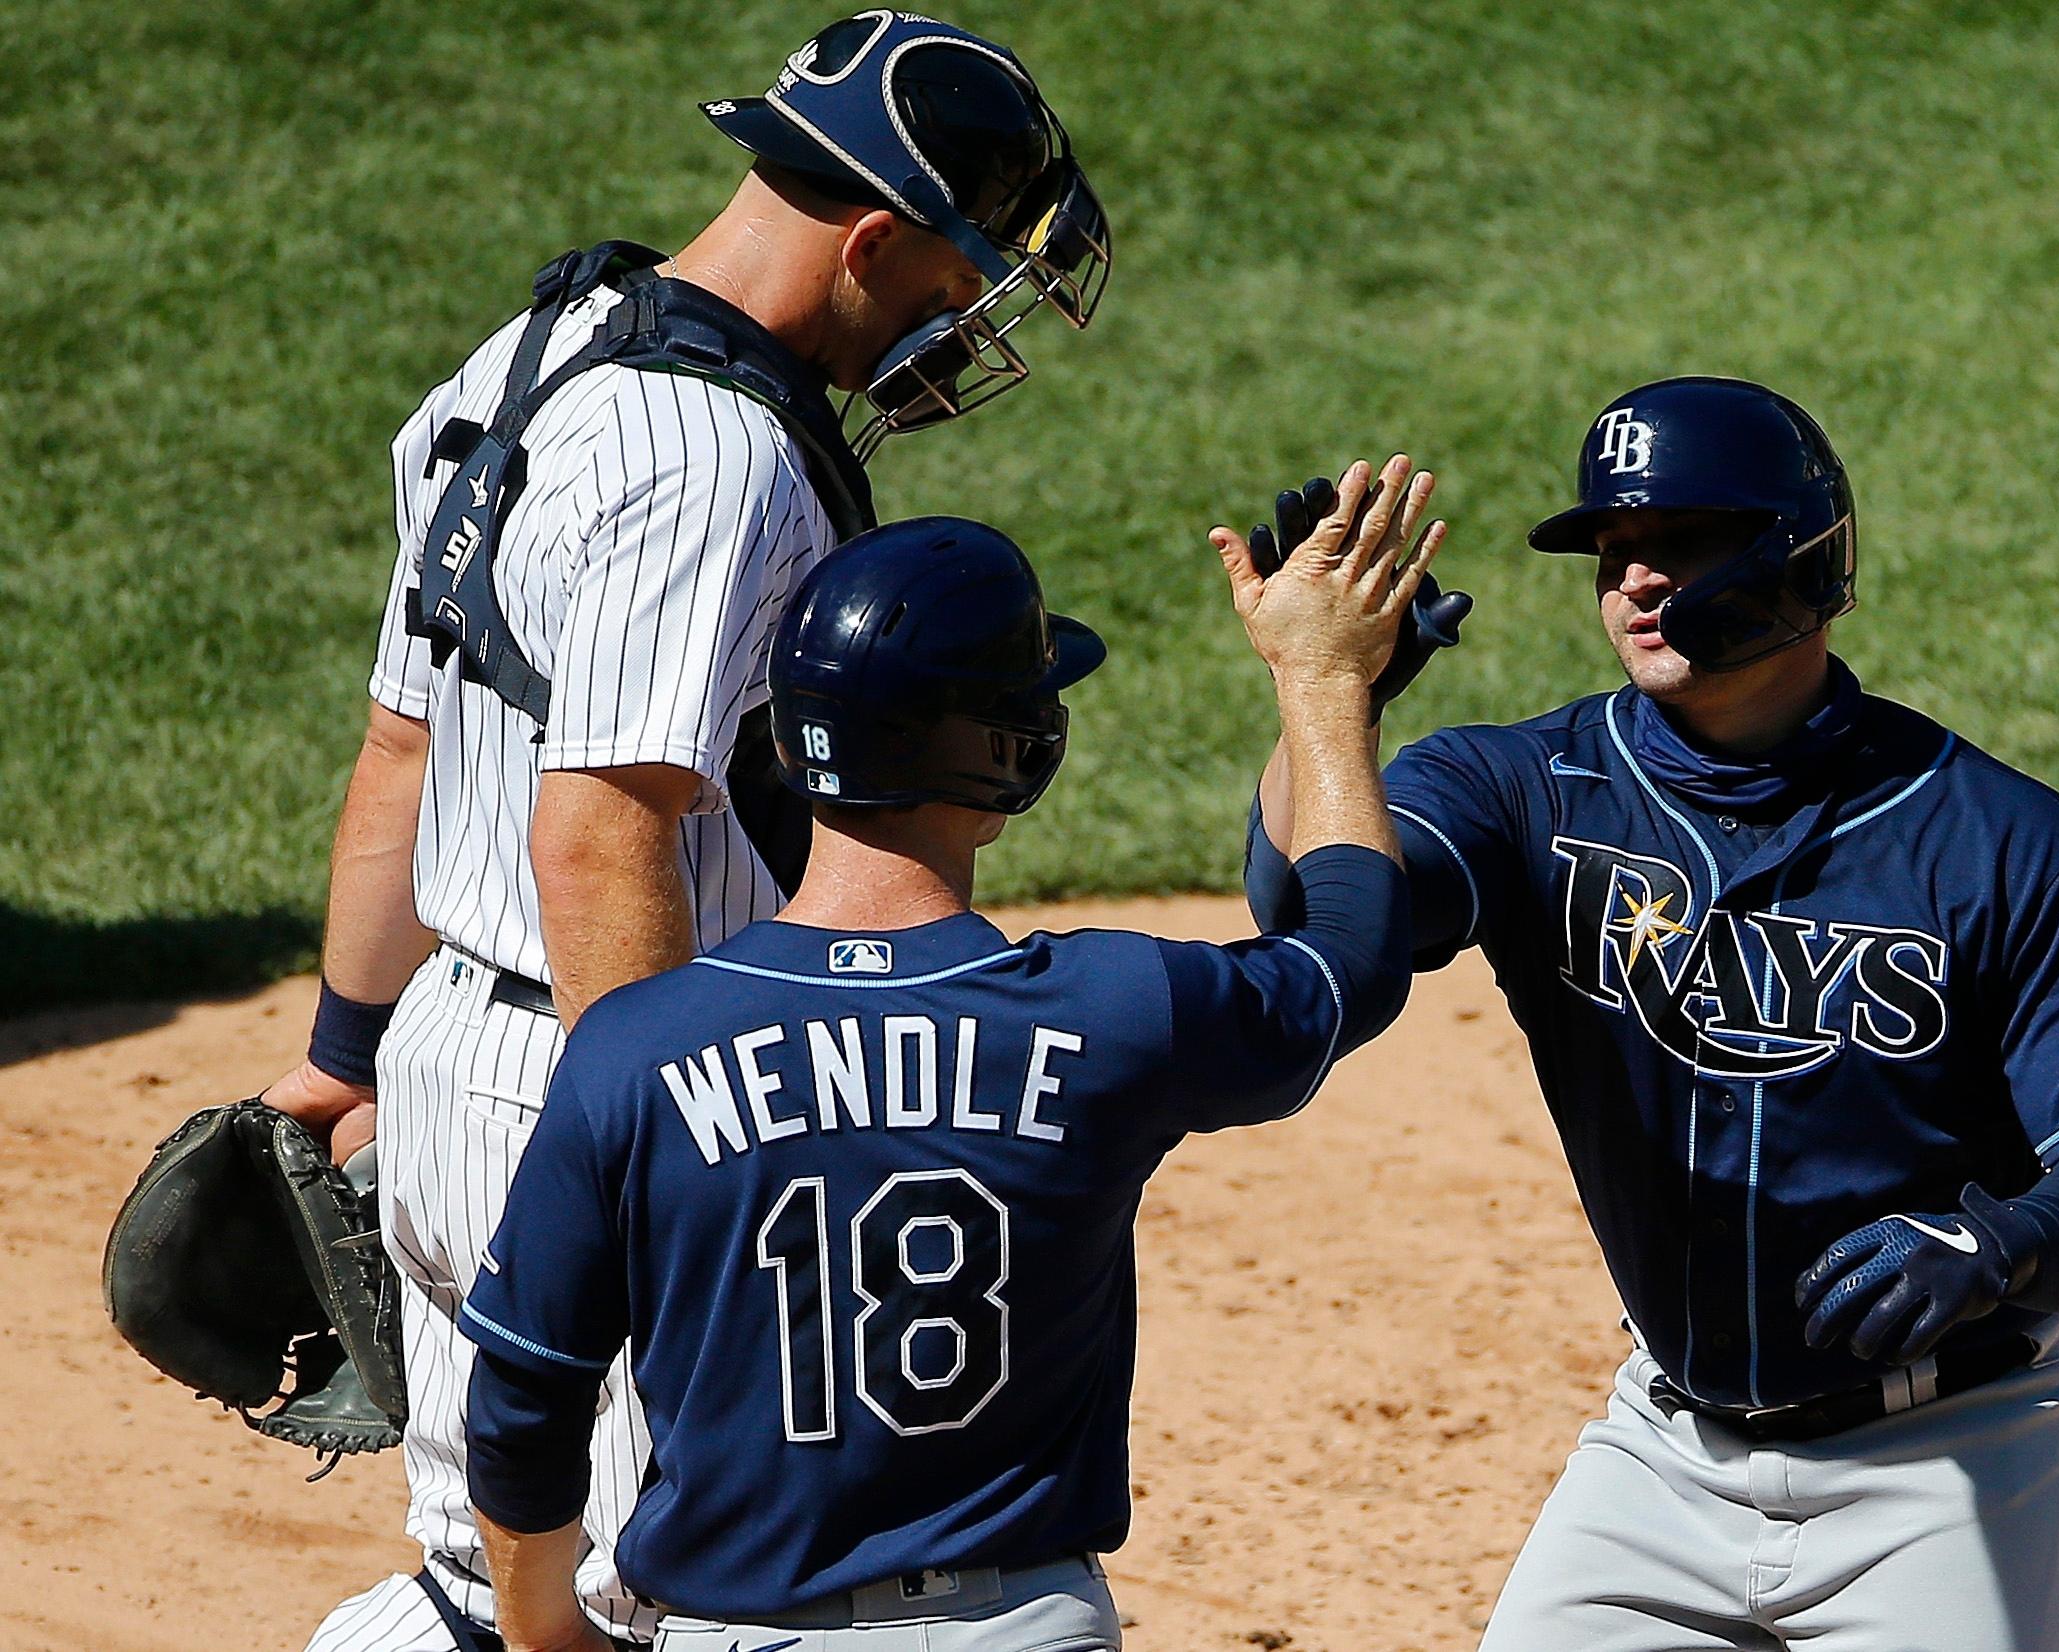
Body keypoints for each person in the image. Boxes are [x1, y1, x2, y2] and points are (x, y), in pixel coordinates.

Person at [272, 14, 1110, 1648]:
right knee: (663, 1585)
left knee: (488, 1560)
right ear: (872, 233)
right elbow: (603, 827)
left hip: (457, 1059)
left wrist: (341, 1049)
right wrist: (650, 1158)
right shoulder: (713, 454)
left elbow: (402, 738)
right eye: (958, 271)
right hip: (594, 1075)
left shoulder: (531, 349)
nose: (963, 316)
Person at [1244, 379, 2059, 1652]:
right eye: (1613, 552)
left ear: (1797, 555)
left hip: (1954, 1458)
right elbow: (1316, 912)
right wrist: (1334, 703)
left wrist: (2004, 1247)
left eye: (1682, 542)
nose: (1637, 580)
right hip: (1664, 1452)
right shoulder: (1530, 785)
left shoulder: (1994, 839)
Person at [455, 473, 1436, 1651]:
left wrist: (541, 1635)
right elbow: (1352, 963)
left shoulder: (634, 1048)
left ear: (785, 738)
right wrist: (1324, 684)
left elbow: (525, 1395)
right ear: (1019, 753)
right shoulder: (1116, 1010)